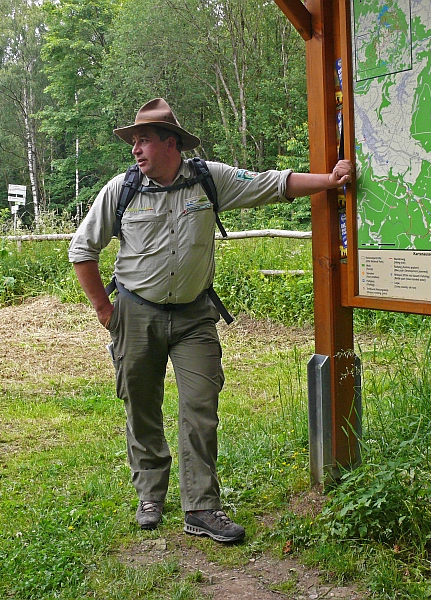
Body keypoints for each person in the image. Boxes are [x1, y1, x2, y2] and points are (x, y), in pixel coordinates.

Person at [69, 98, 352, 543]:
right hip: (135, 313)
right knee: (141, 406)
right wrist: (105, 312)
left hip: (195, 316)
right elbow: (82, 251)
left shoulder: (208, 179)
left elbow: (271, 184)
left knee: (200, 405)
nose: (135, 149)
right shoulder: (120, 189)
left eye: (143, 140)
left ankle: (201, 507)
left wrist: (329, 180)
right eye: (134, 141)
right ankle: (150, 495)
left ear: (171, 143)